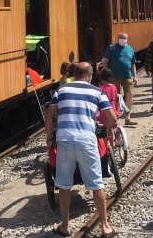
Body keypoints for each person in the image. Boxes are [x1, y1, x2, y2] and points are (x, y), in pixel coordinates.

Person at [44, 62, 118, 238]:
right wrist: (106, 128)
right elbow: (113, 118)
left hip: (64, 141)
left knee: (63, 185)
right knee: (96, 185)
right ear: (90, 76)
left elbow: (48, 117)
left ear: (73, 74)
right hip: (87, 141)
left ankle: (64, 226)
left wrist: (50, 137)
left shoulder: (61, 91)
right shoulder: (97, 91)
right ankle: (105, 226)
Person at [102, 32, 138, 125]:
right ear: (118, 39)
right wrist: (106, 74)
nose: (123, 40)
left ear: (127, 39)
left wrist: (135, 76)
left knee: (130, 95)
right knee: (114, 97)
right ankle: (114, 118)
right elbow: (105, 61)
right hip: (114, 77)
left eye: (124, 38)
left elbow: (133, 63)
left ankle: (128, 118)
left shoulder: (130, 49)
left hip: (127, 76)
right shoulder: (112, 48)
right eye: (121, 38)